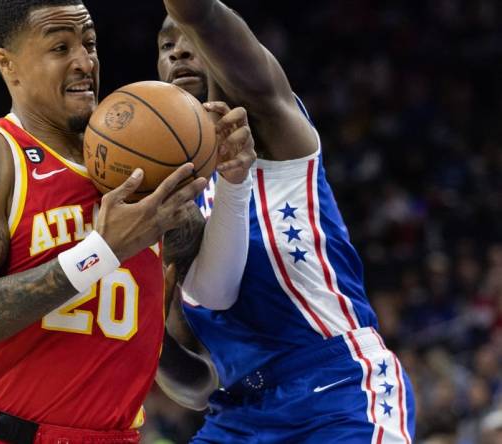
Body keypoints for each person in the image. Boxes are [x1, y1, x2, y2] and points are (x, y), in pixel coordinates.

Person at [0, 1, 254, 443]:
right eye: (60, 47)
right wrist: (101, 252)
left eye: (90, 44)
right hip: (2, 433)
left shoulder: (146, 167)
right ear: (9, 64)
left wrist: (234, 182)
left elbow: (197, 363)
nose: (85, 62)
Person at [154, 1, 417, 443]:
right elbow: (198, 389)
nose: (178, 52)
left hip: (337, 388)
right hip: (237, 415)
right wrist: (152, 341)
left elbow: (200, 14)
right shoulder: (174, 205)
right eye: (165, 45)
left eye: (187, 41)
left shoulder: (272, 127)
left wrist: (192, 19)